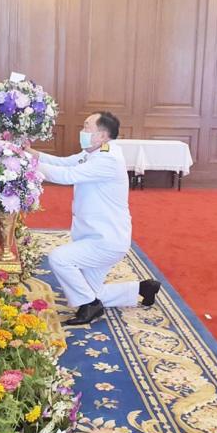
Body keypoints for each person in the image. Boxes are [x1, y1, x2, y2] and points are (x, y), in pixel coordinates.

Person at [34, 112, 161, 325]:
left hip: (106, 241)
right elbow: (63, 163)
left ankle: (90, 306)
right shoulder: (96, 152)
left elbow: (67, 175)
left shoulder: (108, 159)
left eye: (86, 127)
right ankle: (142, 289)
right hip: (94, 235)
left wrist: (25, 164)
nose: (81, 131)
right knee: (91, 291)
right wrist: (28, 153)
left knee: (59, 259)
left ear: (102, 136)